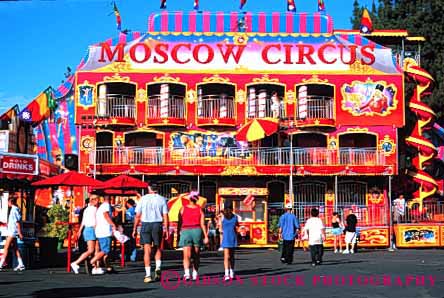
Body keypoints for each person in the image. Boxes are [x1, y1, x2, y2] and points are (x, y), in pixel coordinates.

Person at [132, 185, 169, 283]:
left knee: (146, 250)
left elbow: (137, 215)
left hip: (146, 224)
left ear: (149, 188)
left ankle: (148, 275)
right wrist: (167, 229)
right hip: (157, 224)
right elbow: (165, 216)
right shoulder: (162, 199)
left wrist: (134, 229)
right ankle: (158, 267)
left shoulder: (143, 199)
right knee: (157, 247)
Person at [178, 191, 208, 281]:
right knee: (196, 254)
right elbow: (203, 224)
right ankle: (195, 273)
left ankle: (187, 273)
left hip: (186, 231)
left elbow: (179, 222)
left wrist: (178, 232)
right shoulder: (200, 209)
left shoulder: (182, 208)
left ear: (189, 199)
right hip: (197, 231)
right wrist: (206, 236)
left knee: (186, 254)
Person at [71, 195, 98, 274]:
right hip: (91, 229)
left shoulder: (86, 209)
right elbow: (95, 221)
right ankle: (76, 263)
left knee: (93, 249)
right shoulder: (94, 209)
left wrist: (79, 231)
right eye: (97, 199)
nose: (98, 201)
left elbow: (83, 221)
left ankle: (94, 266)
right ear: (94, 200)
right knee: (91, 250)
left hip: (86, 229)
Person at [90, 195, 116, 274]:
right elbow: (106, 216)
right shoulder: (106, 206)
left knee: (105, 251)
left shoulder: (100, 207)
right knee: (106, 250)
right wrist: (113, 224)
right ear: (111, 199)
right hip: (104, 231)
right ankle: (92, 261)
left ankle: (108, 267)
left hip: (100, 231)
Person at [0, 197, 25, 271]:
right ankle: (21, 264)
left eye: (8, 202)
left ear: (11, 202)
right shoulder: (14, 209)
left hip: (12, 232)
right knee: (15, 249)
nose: (8, 204)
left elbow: (17, 222)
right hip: (12, 231)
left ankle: (0, 264)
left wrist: (20, 233)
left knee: (6, 248)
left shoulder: (14, 210)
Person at [221, 204, 238, 281]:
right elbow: (236, 226)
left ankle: (226, 274)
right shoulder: (235, 217)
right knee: (232, 256)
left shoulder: (222, 217)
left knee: (226, 257)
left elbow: (220, 228)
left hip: (226, 237)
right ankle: (232, 272)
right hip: (232, 236)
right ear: (232, 208)